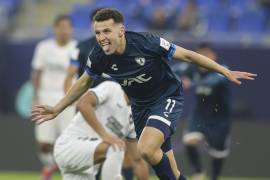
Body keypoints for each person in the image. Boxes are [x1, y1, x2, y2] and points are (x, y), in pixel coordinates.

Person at [32, 8, 256, 180]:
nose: (101, 37)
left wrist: (223, 70)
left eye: (107, 31)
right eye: (97, 33)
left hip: (166, 97)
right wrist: (57, 108)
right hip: (140, 108)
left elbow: (187, 55)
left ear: (121, 30)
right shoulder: (99, 56)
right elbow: (84, 82)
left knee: (146, 150)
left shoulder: (146, 42)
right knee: (170, 171)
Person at [54, 79, 149, 180]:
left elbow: (137, 161)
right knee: (116, 147)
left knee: (115, 146)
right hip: (69, 146)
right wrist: (105, 136)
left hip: (87, 166)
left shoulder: (134, 117)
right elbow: (83, 104)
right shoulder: (112, 88)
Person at [174, 43, 231, 180]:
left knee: (218, 153)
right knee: (189, 141)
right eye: (200, 54)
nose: (203, 57)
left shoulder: (222, 69)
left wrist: (191, 83)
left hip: (219, 118)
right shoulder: (191, 67)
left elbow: (213, 81)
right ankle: (198, 172)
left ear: (213, 56)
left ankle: (215, 177)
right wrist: (177, 78)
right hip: (199, 114)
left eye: (207, 54)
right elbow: (173, 70)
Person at [31, 15, 77, 180]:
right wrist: (35, 98)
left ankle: (70, 172)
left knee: (67, 141)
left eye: (67, 26)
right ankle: (49, 165)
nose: (64, 30)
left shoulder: (77, 48)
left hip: (68, 100)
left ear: (71, 29)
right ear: (55, 28)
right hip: (45, 97)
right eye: (61, 26)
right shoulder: (43, 48)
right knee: (44, 143)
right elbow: (37, 73)